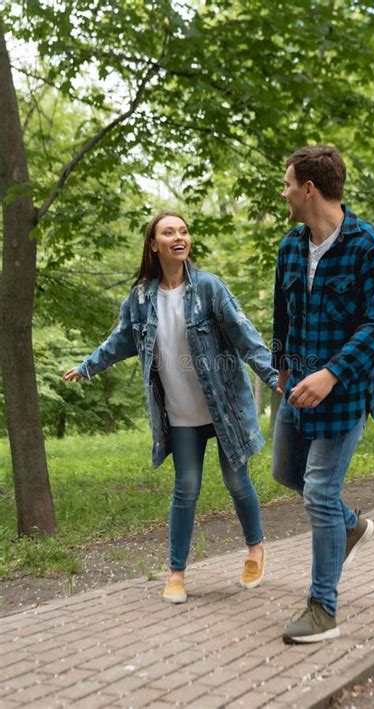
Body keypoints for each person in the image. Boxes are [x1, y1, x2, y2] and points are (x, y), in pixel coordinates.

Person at [64, 211, 279, 603]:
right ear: (153, 244)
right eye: (169, 232)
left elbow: (245, 335)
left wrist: (274, 376)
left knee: (236, 481)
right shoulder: (142, 299)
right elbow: (119, 340)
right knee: (186, 488)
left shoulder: (210, 289)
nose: (179, 237)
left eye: (183, 231)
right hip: (181, 414)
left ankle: (255, 548)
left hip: (224, 408)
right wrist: (87, 367)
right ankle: (177, 573)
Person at [272, 145, 374, 644]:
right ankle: (348, 527)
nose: (283, 193)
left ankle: (323, 608)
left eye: (286, 184)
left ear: (308, 189)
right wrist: (283, 367)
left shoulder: (371, 247)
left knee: (320, 490)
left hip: (344, 394)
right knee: (288, 473)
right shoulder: (289, 247)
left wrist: (332, 374)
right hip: (297, 388)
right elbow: (283, 315)